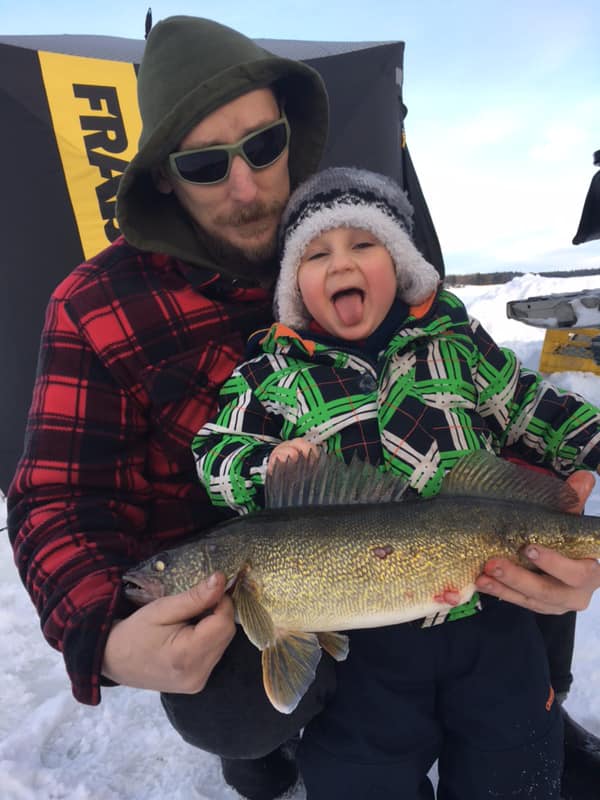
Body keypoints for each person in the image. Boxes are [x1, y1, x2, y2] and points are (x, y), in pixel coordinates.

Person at [5, 12, 600, 800]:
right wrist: (104, 638)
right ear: (161, 175)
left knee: (517, 578)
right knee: (234, 707)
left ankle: (530, 707)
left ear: (290, 133)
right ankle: (268, 750)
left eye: (262, 146)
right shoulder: (98, 304)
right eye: (207, 164)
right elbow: (56, 495)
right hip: (239, 571)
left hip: (408, 534)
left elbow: (473, 399)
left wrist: (560, 516)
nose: (248, 185)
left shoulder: (363, 237)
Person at [191, 166, 600, 799]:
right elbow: (215, 450)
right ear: (294, 282)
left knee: (515, 764)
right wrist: (261, 465)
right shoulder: (270, 372)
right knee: (359, 776)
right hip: (363, 647)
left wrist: (586, 456)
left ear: (401, 262)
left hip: (491, 612)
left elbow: (533, 409)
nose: (340, 263)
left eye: (364, 245)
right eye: (316, 253)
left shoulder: (456, 345)